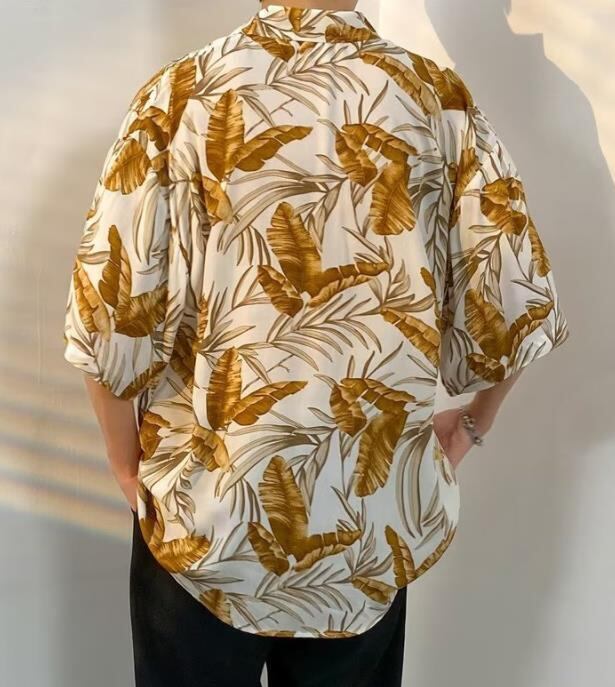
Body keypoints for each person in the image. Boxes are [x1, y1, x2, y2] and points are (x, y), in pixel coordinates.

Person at [62, 1, 570, 685]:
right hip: (365, 528)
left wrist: (125, 466)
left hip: (202, 522)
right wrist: (470, 425)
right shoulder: (433, 103)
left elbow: (107, 312)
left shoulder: (180, 98)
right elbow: (515, 300)